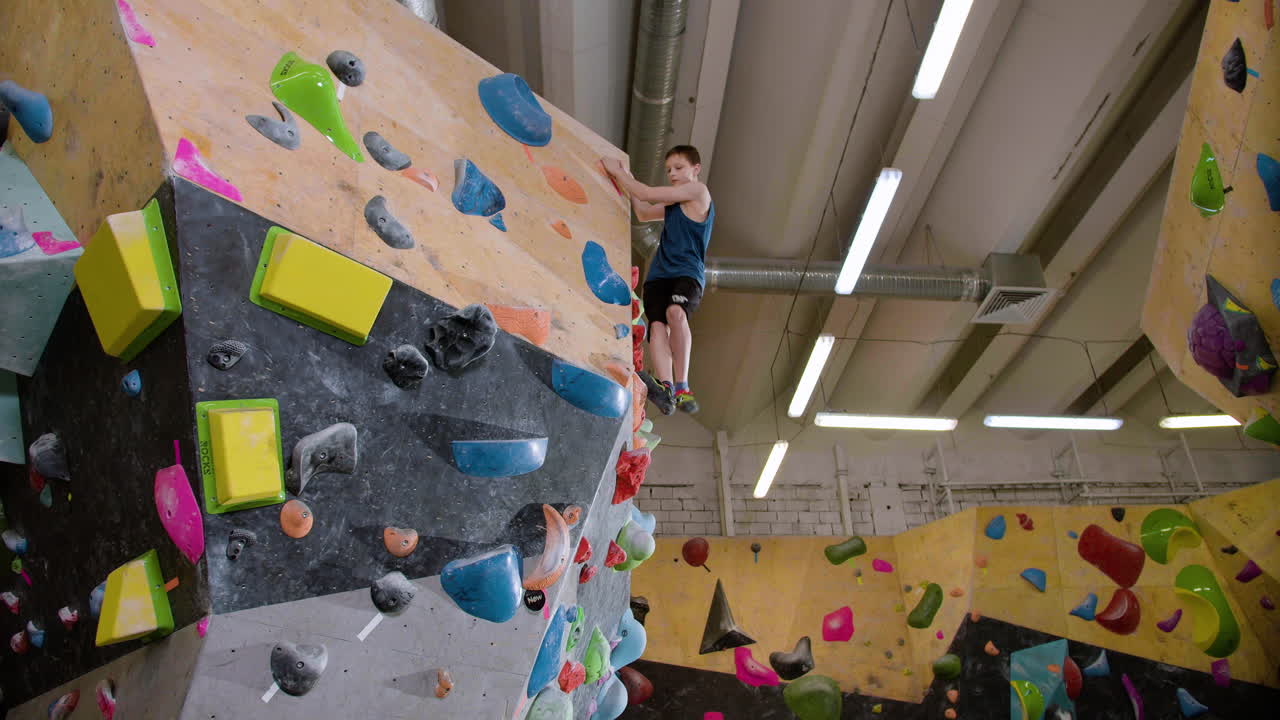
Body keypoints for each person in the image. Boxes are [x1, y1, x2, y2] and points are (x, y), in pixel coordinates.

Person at [602, 145, 713, 415]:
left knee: (676, 312)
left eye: (679, 168)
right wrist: (621, 177)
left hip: (686, 273)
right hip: (658, 276)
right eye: (669, 170)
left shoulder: (699, 193)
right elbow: (641, 211)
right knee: (657, 327)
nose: (672, 174)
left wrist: (619, 171)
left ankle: (682, 386)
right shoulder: (673, 205)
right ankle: (665, 387)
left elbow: (647, 193)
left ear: (695, 169)